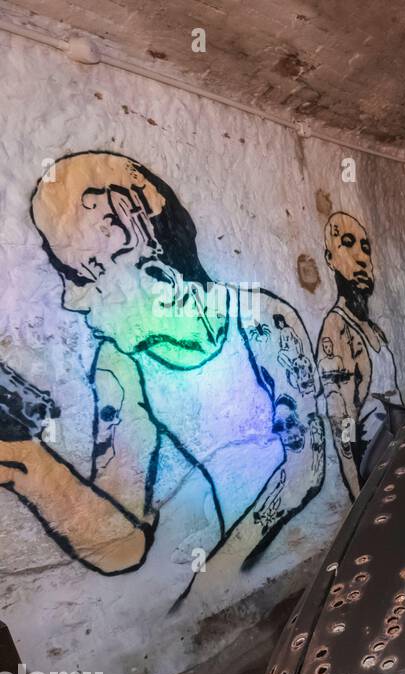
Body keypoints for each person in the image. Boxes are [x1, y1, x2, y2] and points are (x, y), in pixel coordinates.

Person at [0, 152, 325, 603]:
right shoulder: (120, 365)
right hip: (245, 576)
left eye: (84, 271)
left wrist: (217, 576)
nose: (73, 300)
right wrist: (29, 466)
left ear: (151, 264)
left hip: (319, 557)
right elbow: (123, 542)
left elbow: (304, 471)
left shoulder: (262, 320)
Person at [316, 213, 405, 500]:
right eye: (347, 245)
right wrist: (359, 501)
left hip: (394, 460)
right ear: (330, 258)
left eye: (365, 248)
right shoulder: (337, 329)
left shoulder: (373, 329)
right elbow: (341, 423)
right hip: (372, 469)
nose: (361, 258)